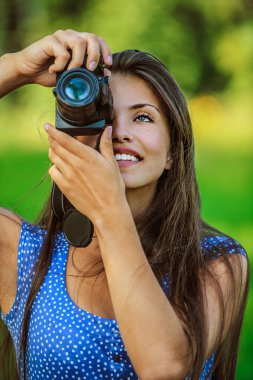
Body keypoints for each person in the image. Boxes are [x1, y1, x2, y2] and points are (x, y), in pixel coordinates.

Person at [0, 30, 249, 380]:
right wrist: (16, 67)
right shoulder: (24, 256)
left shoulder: (216, 262)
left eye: (143, 117)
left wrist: (108, 211)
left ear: (173, 154)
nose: (118, 131)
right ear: (70, 132)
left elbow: (164, 369)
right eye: (102, 112)